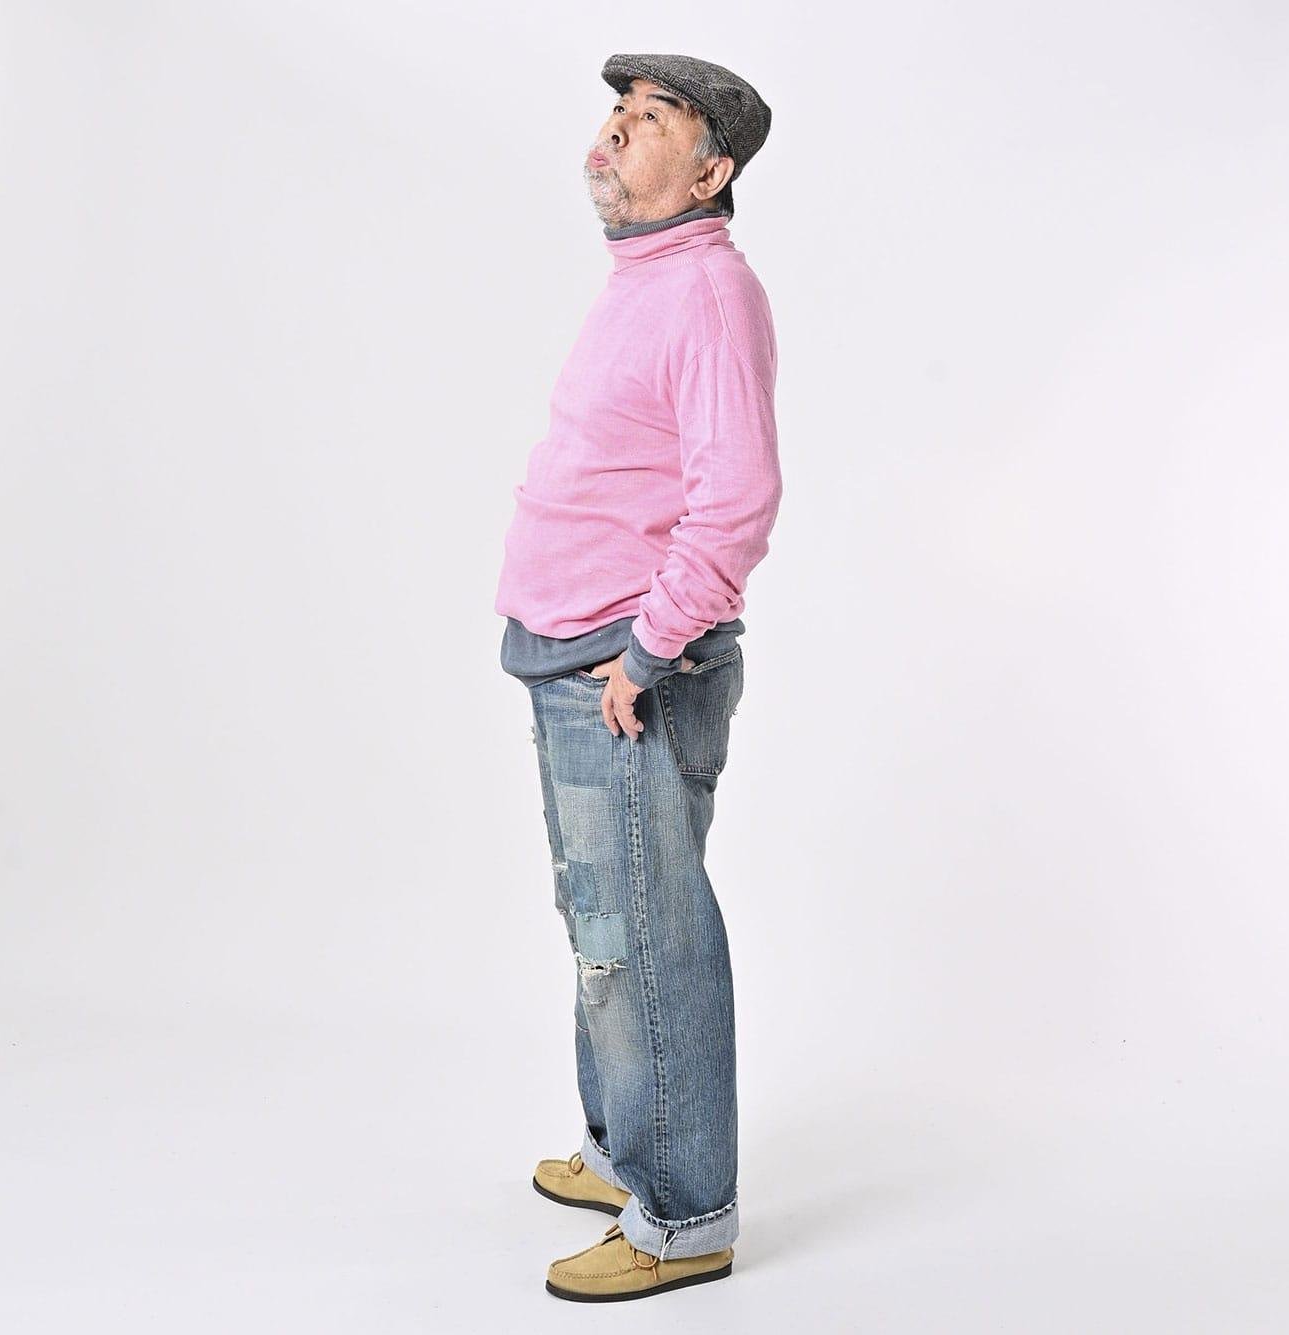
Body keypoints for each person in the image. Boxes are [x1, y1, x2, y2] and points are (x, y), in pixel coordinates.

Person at [493, 52, 782, 1303]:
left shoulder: (707, 291)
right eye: (617, 110)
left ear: (710, 172)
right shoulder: (648, 279)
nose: (618, 129)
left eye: (653, 117)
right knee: (605, 927)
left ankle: (684, 1217)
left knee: (647, 942)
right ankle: (625, 1153)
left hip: (628, 665)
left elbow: (739, 499)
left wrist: (650, 650)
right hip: (581, 653)